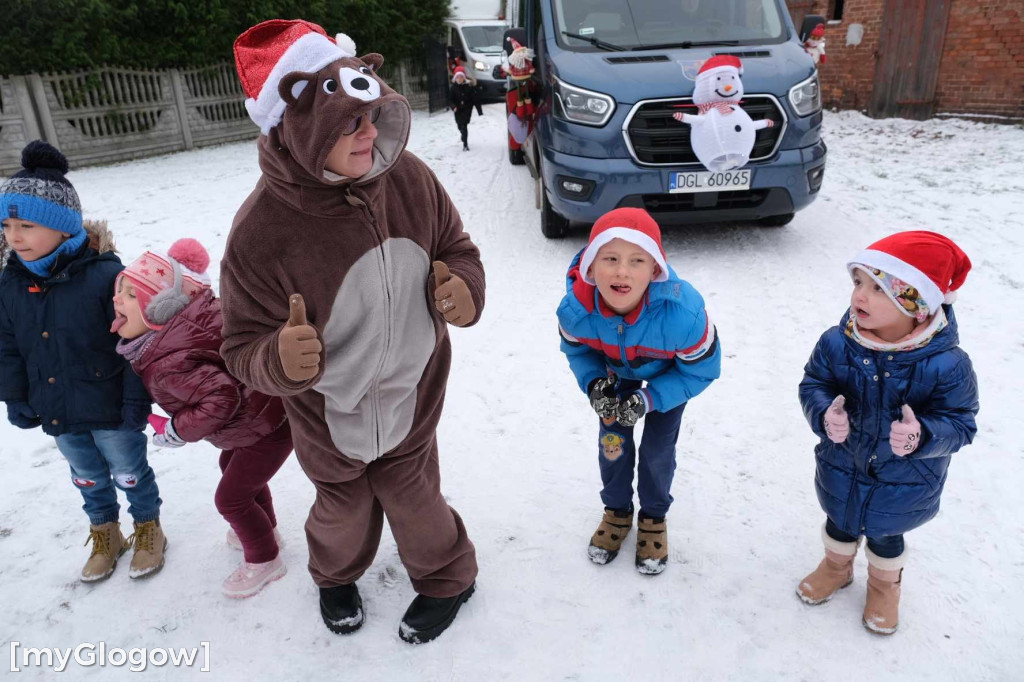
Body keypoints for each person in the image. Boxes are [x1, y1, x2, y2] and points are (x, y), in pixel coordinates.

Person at [222, 19, 484, 643]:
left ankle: (449, 576)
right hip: (325, 413)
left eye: (371, 114)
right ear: (301, 129)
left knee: (416, 501)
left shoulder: (411, 179)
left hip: (411, 396)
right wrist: (278, 358)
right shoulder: (261, 232)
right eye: (349, 123)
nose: (370, 132)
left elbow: (458, 247)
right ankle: (335, 576)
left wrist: (464, 290)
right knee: (340, 510)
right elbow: (239, 347)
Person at [797, 231, 979, 635]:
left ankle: (884, 586)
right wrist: (826, 413)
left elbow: (962, 423)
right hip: (842, 463)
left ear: (916, 305)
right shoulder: (837, 343)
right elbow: (813, 384)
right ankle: (836, 567)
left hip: (905, 479)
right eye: (858, 282)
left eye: (879, 288)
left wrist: (923, 436)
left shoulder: (948, 364)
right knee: (839, 520)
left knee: (886, 532)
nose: (860, 296)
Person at [0, 141, 162, 582]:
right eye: (7, 224)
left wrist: (136, 401)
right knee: (86, 476)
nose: (14, 237)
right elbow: (7, 343)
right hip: (55, 404)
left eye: (26, 225)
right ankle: (106, 533)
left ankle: (148, 527)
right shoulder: (11, 283)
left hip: (110, 403)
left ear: (62, 226)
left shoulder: (106, 276)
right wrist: (15, 395)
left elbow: (135, 344)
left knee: (129, 470)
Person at [112, 238, 292, 598]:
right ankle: (266, 530)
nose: (117, 299)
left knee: (231, 499)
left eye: (132, 295)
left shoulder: (169, 360)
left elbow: (221, 398)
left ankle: (265, 558)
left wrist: (178, 430)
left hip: (266, 426)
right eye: (121, 290)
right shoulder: (187, 329)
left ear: (163, 309)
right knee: (235, 472)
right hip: (265, 415)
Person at [556, 208, 721, 575]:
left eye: (637, 261)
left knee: (657, 451)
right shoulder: (577, 310)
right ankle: (616, 511)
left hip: (667, 377)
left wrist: (650, 398)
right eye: (610, 259)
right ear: (590, 265)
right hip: (615, 371)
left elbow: (701, 370)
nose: (622, 271)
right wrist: (594, 382)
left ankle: (653, 516)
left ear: (655, 269)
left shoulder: (683, 315)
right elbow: (577, 350)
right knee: (612, 442)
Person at [450, 66, 483, 151]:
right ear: (455, 78)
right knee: (459, 126)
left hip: (467, 109)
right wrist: (453, 107)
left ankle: (465, 144)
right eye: (457, 77)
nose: (459, 79)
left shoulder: (469, 87)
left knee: (464, 126)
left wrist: (479, 111)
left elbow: (475, 99)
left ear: (464, 78)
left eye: (461, 77)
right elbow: (450, 100)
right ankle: (462, 135)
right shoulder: (453, 88)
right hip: (457, 110)